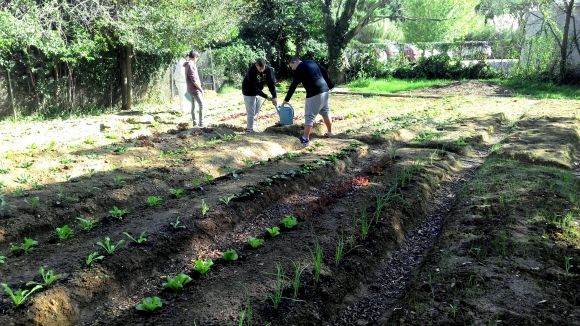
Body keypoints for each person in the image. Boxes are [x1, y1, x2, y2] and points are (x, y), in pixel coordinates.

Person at [283, 57, 334, 144]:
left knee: (309, 116)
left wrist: (286, 99)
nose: (292, 69)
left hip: (314, 92)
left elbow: (294, 84)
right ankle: (330, 132)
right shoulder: (311, 62)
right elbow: (324, 71)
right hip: (325, 90)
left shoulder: (300, 68)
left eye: (291, 66)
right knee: (325, 111)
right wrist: (330, 85)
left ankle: (305, 138)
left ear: (295, 62)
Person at [241, 58, 277, 133]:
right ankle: (249, 129)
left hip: (258, 91)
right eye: (260, 69)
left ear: (265, 65)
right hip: (248, 91)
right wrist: (266, 96)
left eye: (262, 68)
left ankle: (253, 125)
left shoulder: (268, 70)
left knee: (256, 110)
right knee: (251, 111)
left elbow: (271, 84)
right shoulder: (251, 71)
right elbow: (253, 87)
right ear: (256, 65)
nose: (261, 70)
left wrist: (274, 96)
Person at [184, 51, 204, 127]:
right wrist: (201, 89)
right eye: (197, 58)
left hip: (190, 89)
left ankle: (195, 122)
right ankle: (201, 123)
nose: (197, 59)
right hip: (194, 89)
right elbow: (194, 80)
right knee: (201, 105)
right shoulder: (190, 65)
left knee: (193, 105)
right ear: (195, 57)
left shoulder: (188, 64)